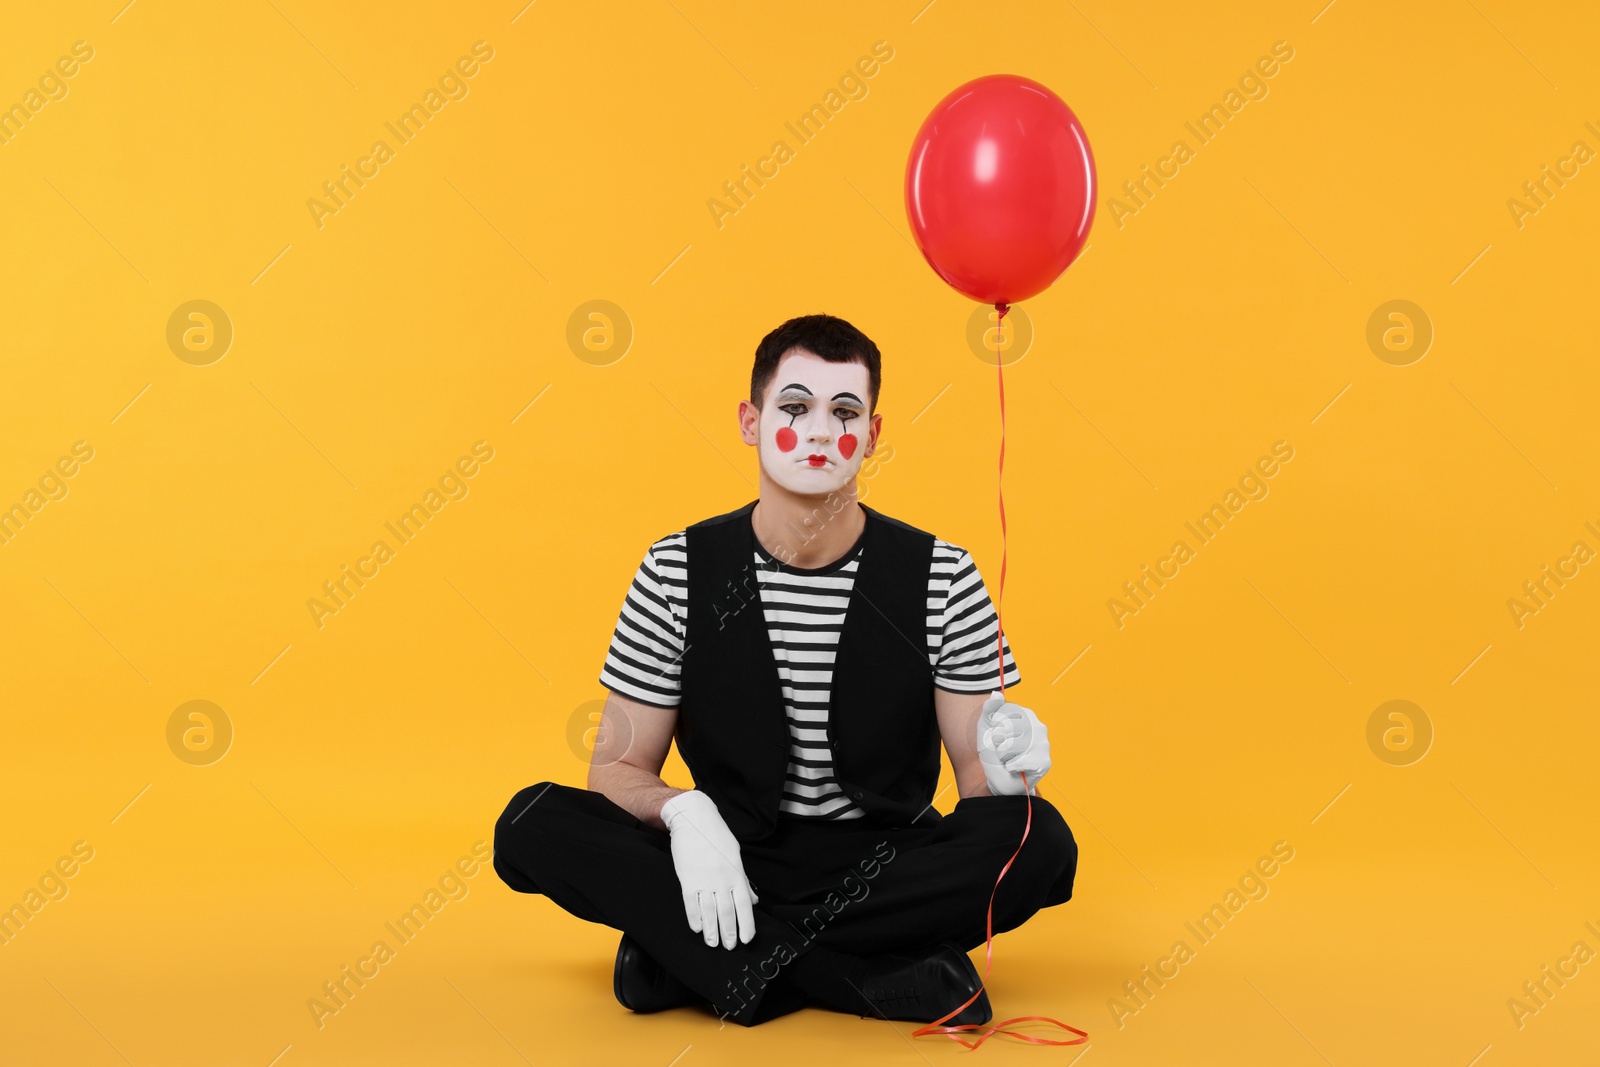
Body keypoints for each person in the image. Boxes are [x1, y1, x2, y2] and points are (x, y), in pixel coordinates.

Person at [493, 313, 1077, 1028]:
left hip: (883, 866)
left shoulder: (943, 576)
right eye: (796, 407)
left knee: (1039, 837)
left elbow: (980, 787)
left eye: (846, 411)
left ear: (873, 433)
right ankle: (862, 978)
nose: (823, 431)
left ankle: (696, 958)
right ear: (750, 420)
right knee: (530, 819)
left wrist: (1015, 774)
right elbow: (616, 771)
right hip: (726, 859)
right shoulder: (675, 569)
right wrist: (685, 811)